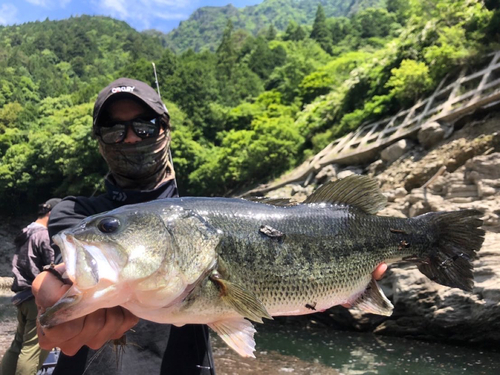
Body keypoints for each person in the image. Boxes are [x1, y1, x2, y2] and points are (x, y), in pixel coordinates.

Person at [32, 77, 388, 375]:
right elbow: (64, 283)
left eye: (144, 126)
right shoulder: (75, 214)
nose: (130, 138)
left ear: (165, 131)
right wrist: (57, 304)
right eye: (113, 130)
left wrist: (339, 284)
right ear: (99, 140)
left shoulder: (209, 216)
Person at [1, 198, 61, 375]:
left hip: (22, 297)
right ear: (52, 214)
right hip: (38, 299)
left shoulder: (26, 231)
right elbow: (54, 266)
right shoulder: (44, 235)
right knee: (34, 349)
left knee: (18, 345)